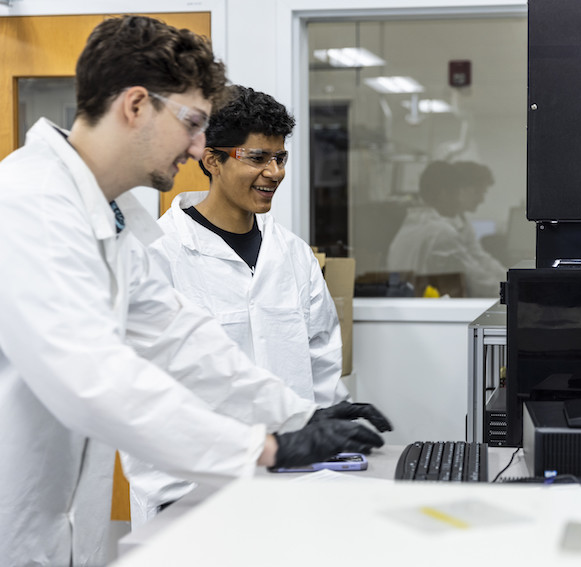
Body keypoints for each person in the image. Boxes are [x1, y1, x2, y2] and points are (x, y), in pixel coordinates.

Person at [0, 16, 389, 566]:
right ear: (136, 106)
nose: (200, 145)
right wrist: (266, 447)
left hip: (65, 521)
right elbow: (95, 379)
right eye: (191, 122)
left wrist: (299, 417)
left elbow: (181, 342)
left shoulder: (112, 220)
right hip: (17, 519)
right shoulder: (30, 206)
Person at [124, 85, 351, 526]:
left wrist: (328, 433)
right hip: (194, 494)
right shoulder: (160, 254)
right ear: (212, 160)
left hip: (294, 482)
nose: (274, 172)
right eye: (257, 157)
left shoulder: (292, 254)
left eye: (280, 158)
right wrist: (172, 497)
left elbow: (321, 361)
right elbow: (144, 390)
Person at [387, 160, 506, 297]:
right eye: (457, 194)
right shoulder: (440, 232)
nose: (459, 200)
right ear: (444, 194)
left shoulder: (410, 225)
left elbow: (476, 262)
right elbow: (476, 281)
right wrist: (513, 291)